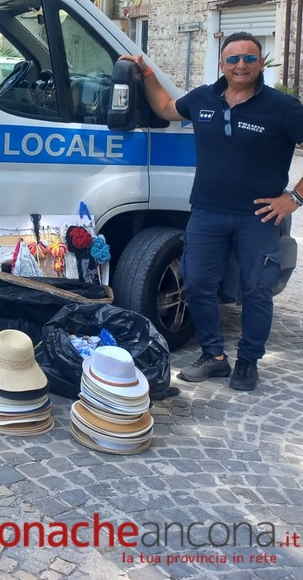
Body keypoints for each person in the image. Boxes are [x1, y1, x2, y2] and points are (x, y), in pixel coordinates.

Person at [122, 32, 303, 391]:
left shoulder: (284, 107)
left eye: (249, 58)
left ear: (261, 63)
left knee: (256, 290)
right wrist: (146, 73)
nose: (240, 65)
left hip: (258, 217)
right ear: (222, 64)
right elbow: (165, 107)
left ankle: (248, 361)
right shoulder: (203, 98)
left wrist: (294, 199)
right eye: (233, 59)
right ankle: (214, 356)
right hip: (207, 212)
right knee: (198, 284)